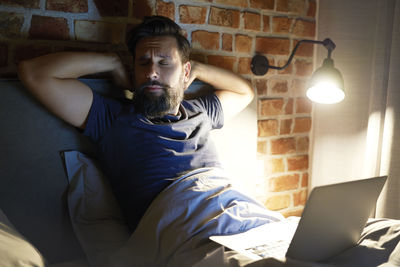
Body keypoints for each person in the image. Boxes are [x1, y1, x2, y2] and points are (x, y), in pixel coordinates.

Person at [18, 16, 254, 232]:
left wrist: (199, 69)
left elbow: (245, 92)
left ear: (185, 71)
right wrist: (111, 62)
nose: (151, 72)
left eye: (164, 63)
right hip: (179, 228)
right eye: (143, 63)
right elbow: (33, 73)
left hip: (234, 210)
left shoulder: (200, 111)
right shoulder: (112, 118)